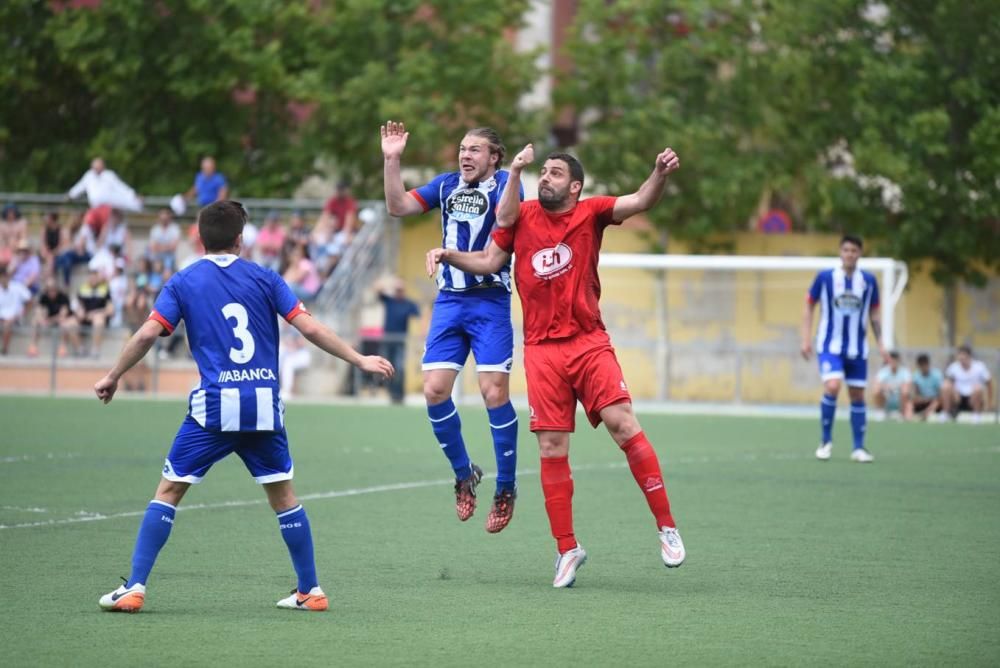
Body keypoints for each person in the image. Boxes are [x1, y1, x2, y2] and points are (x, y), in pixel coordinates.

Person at [94, 200, 394, 613]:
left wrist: (114, 374)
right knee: (284, 496)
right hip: (264, 406)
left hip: (215, 410)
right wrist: (359, 359)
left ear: (199, 238)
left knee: (168, 491)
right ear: (240, 240)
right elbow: (308, 326)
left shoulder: (183, 282)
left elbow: (148, 334)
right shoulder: (265, 278)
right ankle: (311, 590)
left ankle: (136, 586)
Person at [426, 144, 686, 587]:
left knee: (623, 423)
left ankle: (667, 526)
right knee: (550, 450)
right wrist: (449, 253)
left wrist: (659, 172)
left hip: (588, 342)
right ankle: (567, 548)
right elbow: (490, 259)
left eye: (555, 173)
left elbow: (641, 200)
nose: (545, 178)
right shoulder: (521, 216)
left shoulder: (592, 212)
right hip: (542, 351)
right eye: (543, 171)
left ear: (576, 185)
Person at [382, 120, 521, 534]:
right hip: (449, 303)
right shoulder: (445, 186)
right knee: (434, 389)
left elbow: (500, 245)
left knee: (494, 391)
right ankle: (465, 473)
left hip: (490, 301)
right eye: (462, 148)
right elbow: (397, 207)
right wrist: (392, 160)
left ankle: (507, 488)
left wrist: (447, 253)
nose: (465, 155)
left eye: (475, 149)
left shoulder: (505, 189)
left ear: (494, 157)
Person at [801, 234, 889, 463]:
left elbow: (875, 313)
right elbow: (809, 305)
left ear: (860, 253)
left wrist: (881, 343)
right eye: (846, 250)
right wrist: (805, 339)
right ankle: (825, 441)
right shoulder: (825, 277)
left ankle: (858, 448)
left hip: (857, 348)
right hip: (830, 345)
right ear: (840, 252)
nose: (849, 254)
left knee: (857, 394)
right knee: (832, 385)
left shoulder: (868, 281)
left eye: (854, 250)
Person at [66, 157, 142, 235]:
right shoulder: (89, 176)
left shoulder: (109, 175)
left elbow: (121, 187)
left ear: (103, 166)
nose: (97, 169)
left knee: (108, 228)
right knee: (92, 227)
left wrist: (133, 195)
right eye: (95, 167)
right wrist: (71, 194)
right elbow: (80, 186)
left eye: (98, 166)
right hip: (95, 209)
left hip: (108, 208)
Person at [378, 278, 421, 405]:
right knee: (387, 369)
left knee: (400, 368)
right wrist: (390, 284)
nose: (398, 292)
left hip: (400, 341)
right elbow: (377, 288)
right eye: (397, 290)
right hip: (387, 339)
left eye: (400, 290)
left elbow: (418, 316)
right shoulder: (389, 301)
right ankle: (392, 394)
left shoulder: (408, 304)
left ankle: (399, 395)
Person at [942, 346, 993, 423]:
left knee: (977, 388)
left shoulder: (979, 366)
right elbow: (949, 382)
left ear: (969, 356)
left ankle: (976, 415)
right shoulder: (954, 367)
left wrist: (989, 403)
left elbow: (989, 384)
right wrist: (955, 391)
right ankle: (946, 413)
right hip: (957, 398)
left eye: (963, 356)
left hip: (972, 399)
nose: (961, 358)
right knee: (945, 386)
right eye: (960, 356)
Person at [28, 277, 73, 357]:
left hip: (59, 320)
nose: (51, 292)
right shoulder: (44, 297)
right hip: (48, 320)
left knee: (65, 323)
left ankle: (62, 347)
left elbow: (63, 314)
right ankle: (33, 346)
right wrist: (41, 318)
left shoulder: (63, 297)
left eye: (53, 289)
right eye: (49, 290)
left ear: (57, 289)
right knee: (35, 320)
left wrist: (49, 320)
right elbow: (38, 310)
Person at [0, 268, 32, 355]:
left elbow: (29, 300)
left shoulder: (17, 286)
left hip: (16, 317)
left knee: (7, 324)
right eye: (1, 277)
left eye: (5, 277)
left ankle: (4, 350)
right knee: (5, 323)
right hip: (2, 318)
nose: (3, 279)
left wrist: (22, 313)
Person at [873, 351, 913, 420]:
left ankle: (902, 413)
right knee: (876, 390)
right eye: (892, 359)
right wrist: (886, 387)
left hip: (900, 399)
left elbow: (907, 387)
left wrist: (895, 388)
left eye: (895, 360)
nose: (893, 362)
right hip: (887, 398)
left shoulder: (905, 372)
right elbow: (876, 384)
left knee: (905, 391)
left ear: (898, 361)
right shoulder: (883, 371)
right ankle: (881, 412)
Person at [911, 353, 943, 420]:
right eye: (921, 365)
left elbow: (940, 395)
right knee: (911, 402)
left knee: (937, 402)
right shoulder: (916, 376)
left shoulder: (937, 375)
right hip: (923, 400)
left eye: (925, 364)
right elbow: (915, 393)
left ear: (928, 364)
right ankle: (909, 416)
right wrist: (920, 398)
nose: (923, 367)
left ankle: (927, 414)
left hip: (935, 400)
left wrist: (930, 399)